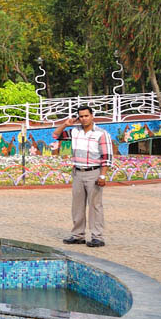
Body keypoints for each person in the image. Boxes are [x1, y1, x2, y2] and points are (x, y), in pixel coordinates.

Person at [52, 105, 113, 248]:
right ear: (78, 118)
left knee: (95, 205)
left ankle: (97, 236)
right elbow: (56, 135)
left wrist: (103, 176)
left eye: (86, 116)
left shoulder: (101, 133)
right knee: (77, 206)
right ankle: (78, 235)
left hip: (94, 172)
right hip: (78, 172)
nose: (84, 119)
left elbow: (107, 156)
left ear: (92, 116)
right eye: (81, 116)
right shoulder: (75, 131)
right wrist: (65, 124)